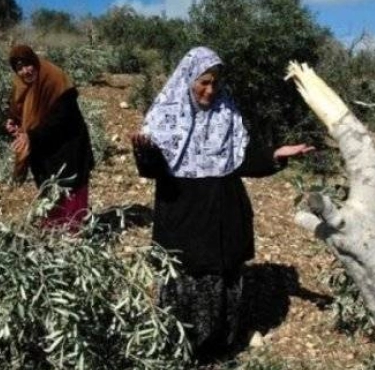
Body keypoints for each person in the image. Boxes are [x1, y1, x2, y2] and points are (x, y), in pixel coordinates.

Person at [131, 46, 314, 359]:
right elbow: (152, 170)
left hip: (226, 209)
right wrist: (144, 154)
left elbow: (241, 159)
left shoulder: (226, 111)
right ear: (189, 79)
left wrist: (274, 155)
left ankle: (220, 349)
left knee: (226, 277)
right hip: (183, 212)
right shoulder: (166, 115)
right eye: (204, 81)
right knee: (186, 278)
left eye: (215, 82)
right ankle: (180, 350)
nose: (210, 89)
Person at [6, 45, 95, 231]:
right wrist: (12, 122)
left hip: (69, 146)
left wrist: (31, 136)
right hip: (44, 147)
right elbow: (18, 110)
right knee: (49, 188)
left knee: (70, 187)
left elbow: (62, 119)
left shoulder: (55, 79)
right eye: (19, 68)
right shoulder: (21, 85)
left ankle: (72, 232)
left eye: (28, 65)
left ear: (34, 61)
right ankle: (53, 231)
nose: (25, 71)